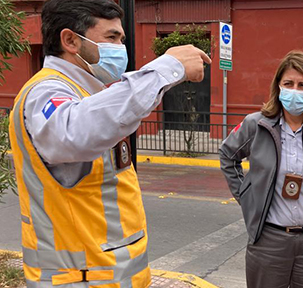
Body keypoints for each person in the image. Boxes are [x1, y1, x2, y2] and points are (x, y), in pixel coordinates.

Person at [8, 0, 210, 286]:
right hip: (78, 279)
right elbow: (74, 132)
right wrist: (168, 68)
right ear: (70, 40)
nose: (120, 48)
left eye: (122, 39)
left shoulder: (88, 94)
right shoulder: (46, 91)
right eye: (111, 37)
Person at [219, 51, 303, 288]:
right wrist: (246, 196)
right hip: (268, 240)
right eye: (288, 83)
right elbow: (228, 156)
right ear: (278, 87)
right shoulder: (256, 125)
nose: (295, 90)